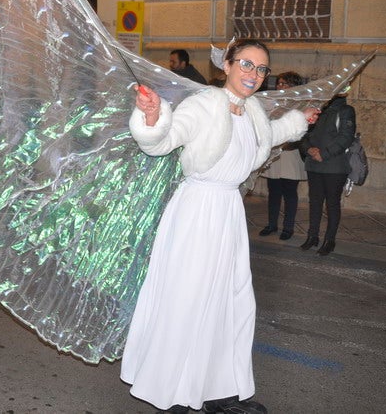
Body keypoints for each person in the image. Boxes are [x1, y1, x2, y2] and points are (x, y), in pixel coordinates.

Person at [121, 39, 320, 413]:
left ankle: (220, 390)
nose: (254, 74)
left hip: (228, 212)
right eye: (246, 64)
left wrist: (298, 121)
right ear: (226, 65)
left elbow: (268, 137)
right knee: (188, 299)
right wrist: (151, 117)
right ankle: (175, 390)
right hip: (197, 212)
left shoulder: (254, 111)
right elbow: (164, 140)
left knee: (231, 301)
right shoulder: (205, 104)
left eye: (261, 69)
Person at [299, 93, 356, 256]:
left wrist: (324, 153)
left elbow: (346, 137)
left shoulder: (346, 110)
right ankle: (313, 236)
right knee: (315, 202)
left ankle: (329, 240)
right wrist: (308, 149)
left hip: (334, 167)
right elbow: (302, 133)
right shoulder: (316, 110)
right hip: (314, 165)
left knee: (332, 204)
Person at [258, 72, 307, 241]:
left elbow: (303, 131)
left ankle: (288, 227)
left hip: (289, 154)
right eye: (279, 83)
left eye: (284, 84)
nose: (280, 86)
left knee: (290, 193)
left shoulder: (300, 105)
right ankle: (272, 224)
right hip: (275, 154)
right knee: (273, 192)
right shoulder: (273, 103)